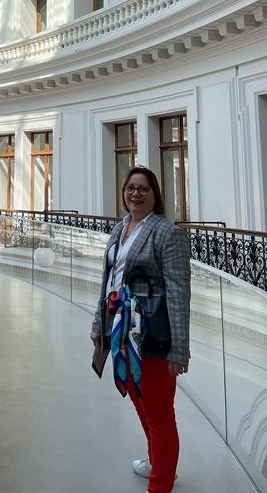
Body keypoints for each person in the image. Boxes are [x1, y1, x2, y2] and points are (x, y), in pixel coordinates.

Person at [90, 166, 191, 493]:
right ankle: (156, 461)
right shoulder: (120, 228)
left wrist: (179, 349)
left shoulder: (167, 233)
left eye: (143, 188)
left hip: (152, 336)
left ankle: (160, 484)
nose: (135, 193)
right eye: (130, 187)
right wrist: (99, 324)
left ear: (154, 194)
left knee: (159, 414)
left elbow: (178, 292)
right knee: (138, 399)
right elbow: (109, 280)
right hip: (120, 332)